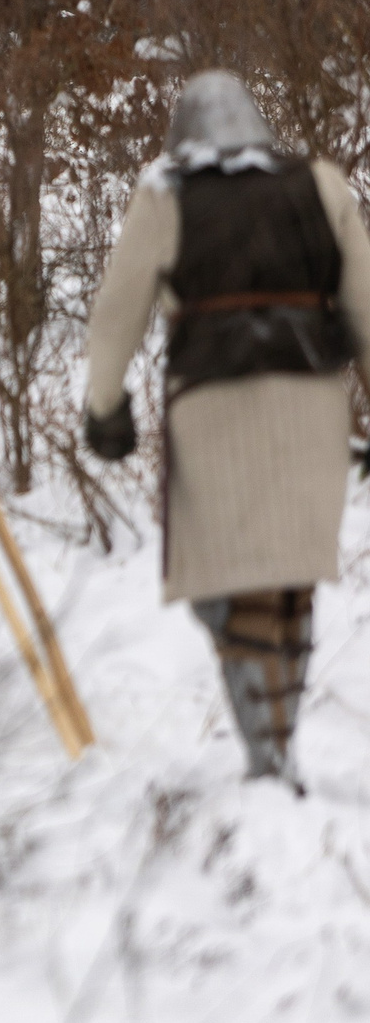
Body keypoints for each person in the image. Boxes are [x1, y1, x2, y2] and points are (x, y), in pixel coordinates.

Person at [81, 71, 370, 787]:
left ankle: (267, 756)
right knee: (287, 582)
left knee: (228, 583)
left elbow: (117, 313)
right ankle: (278, 743)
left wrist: (105, 404)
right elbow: (366, 305)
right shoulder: (322, 183)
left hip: (212, 409)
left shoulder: (166, 194)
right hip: (311, 405)